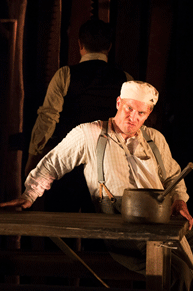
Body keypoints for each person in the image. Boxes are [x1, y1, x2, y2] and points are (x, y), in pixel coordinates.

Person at [0, 81, 193, 290]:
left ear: (149, 112)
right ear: (118, 102)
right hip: (123, 228)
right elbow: (52, 164)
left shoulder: (155, 139)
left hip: (164, 222)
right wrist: (29, 194)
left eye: (141, 112)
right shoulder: (90, 133)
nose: (133, 117)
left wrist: (180, 200)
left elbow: (173, 177)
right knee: (179, 274)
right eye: (128, 108)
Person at [25, 19, 133, 215]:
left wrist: (33, 158)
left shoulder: (65, 74)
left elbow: (47, 119)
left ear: (80, 45)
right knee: (102, 236)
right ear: (109, 47)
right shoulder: (126, 79)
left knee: (60, 231)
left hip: (67, 168)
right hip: (107, 169)